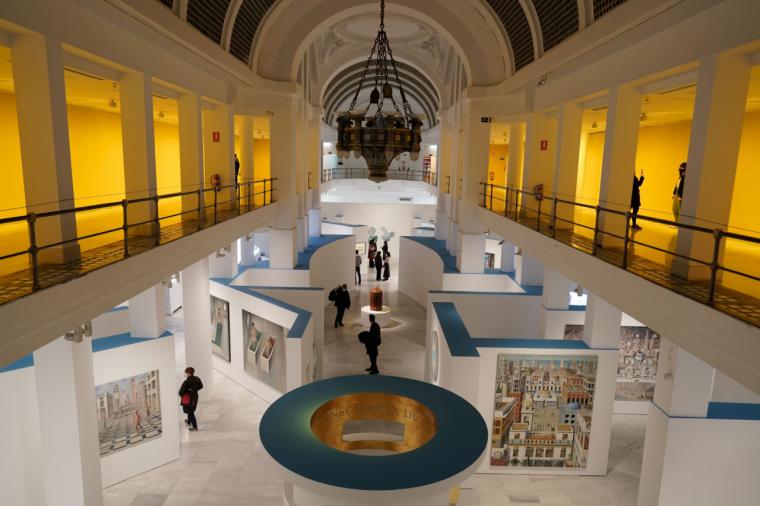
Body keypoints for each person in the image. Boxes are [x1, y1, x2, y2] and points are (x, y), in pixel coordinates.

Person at [178, 367, 204, 431]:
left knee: (191, 412)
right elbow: (201, 386)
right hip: (195, 397)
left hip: (188, 398)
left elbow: (180, 393)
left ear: (189, 373)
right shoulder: (197, 378)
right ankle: (189, 422)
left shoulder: (186, 382)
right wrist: (193, 391)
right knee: (191, 410)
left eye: (186, 373)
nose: (185, 374)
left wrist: (188, 392)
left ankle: (195, 427)